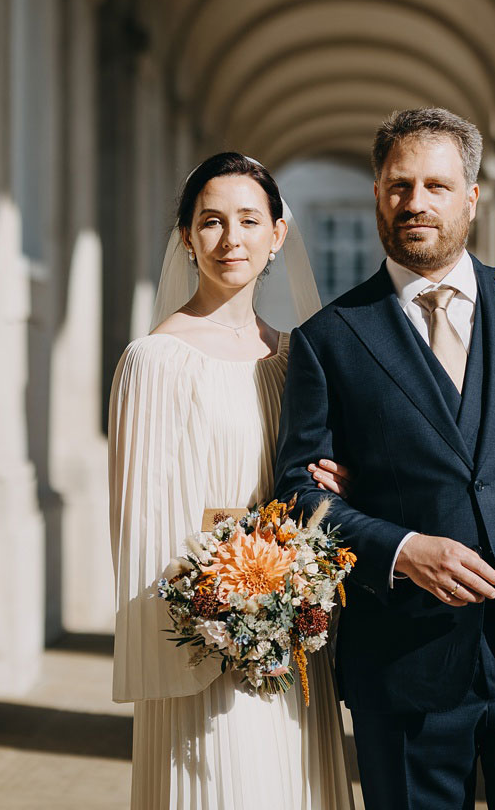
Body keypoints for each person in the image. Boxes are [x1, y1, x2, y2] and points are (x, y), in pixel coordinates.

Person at [272, 108, 495, 809]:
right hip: (405, 656)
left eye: (436, 185)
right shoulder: (328, 338)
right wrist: (401, 549)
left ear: (471, 197)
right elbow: (299, 495)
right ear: (377, 195)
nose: (415, 203)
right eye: (398, 185)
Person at [107, 152, 355, 809]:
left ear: (277, 236)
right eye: (211, 221)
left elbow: (317, 497)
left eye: (249, 220)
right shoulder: (154, 362)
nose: (230, 238)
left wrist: (336, 494)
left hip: (299, 642)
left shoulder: (299, 359)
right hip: (207, 644)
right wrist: (226, 624)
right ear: (186, 237)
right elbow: (140, 527)